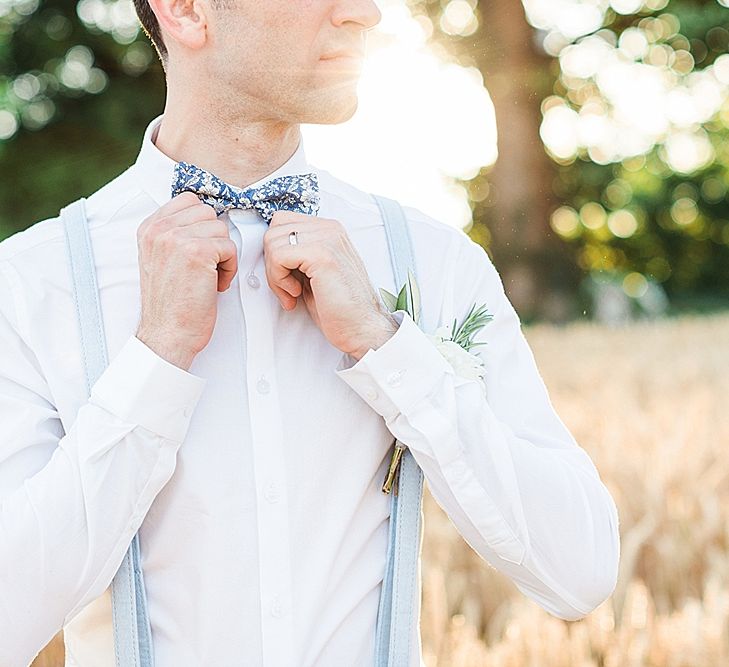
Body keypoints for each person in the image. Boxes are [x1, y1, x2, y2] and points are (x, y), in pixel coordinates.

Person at [0, 0, 620, 665]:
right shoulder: (33, 283)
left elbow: (578, 571)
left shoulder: (431, 259)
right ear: (184, 10)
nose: (366, 12)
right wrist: (154, 358)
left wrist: (391, 351)